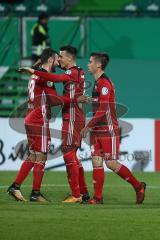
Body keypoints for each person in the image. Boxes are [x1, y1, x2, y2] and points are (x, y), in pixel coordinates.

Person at [7, 48, 86, 202]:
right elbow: (54, 99)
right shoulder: (46, 79)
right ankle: (35, 193)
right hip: (39, 120)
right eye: (57, 59)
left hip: (30, 118)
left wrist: (34, 68)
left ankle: (15, 186)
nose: (58, 62)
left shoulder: (35, 76)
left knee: (34, 155)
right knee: (41, 156)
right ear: (50, 60)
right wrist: (76, 99)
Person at [80, 52, 146, 204]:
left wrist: (88, 126)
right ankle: (97, 198)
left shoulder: (104, 83)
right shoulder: (98, 83)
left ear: (98, 65)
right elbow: (101, 103)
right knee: (96, 161)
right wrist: (89, 100)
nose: (88, 64)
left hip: (108, 129)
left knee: (111, 163)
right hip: (98, 129)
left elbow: (103, 110)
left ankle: (138, 186)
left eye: (90, 62)